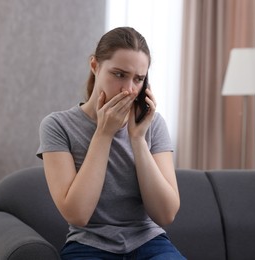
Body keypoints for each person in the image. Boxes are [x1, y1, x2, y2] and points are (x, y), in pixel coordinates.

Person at [37, 27, 185, 259]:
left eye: (138, 79)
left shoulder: (152, 125)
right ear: (95, 66)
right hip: (88, 245)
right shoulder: (58, 126)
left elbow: (166, 214)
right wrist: (103, 134)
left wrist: (137, 139)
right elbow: (77, 214)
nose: (129, 89)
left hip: (149, 242)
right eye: (119, 74)